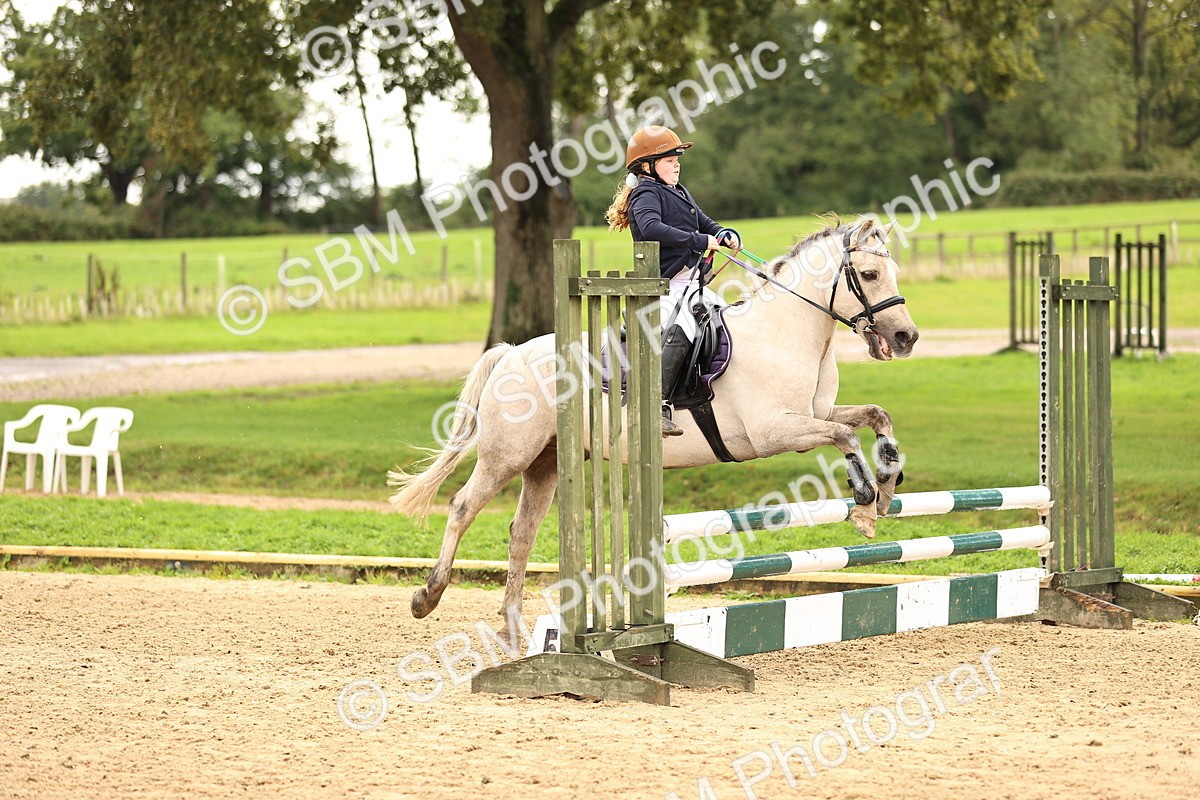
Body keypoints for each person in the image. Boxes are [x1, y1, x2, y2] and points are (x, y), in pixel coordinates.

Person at [605, 125, 740, 436]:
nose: (677, 163)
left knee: (726, 320)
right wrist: (698, 240)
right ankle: (653, 404)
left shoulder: (678, 191)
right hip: (660, 288)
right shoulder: (646, 193)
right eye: (668, 159)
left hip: (689, 283)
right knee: (688, 324)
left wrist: (723, 234)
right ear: (646, 167)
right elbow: (651, 227)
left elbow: (706, 222)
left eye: (677, 158)